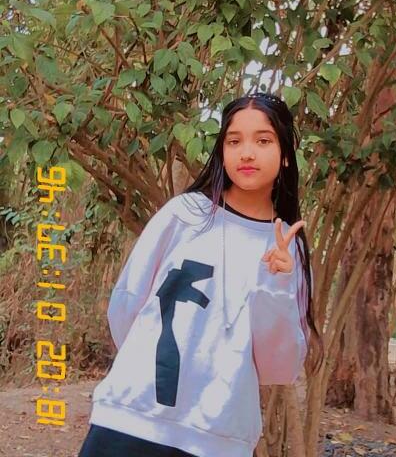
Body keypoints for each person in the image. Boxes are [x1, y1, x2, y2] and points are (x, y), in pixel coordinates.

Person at [78, 91, 323, 457]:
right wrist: (148, 375)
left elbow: (279, 367)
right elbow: (127, 304)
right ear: (221, 150)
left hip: (215, 440)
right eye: (234, 141)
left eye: (263, 141)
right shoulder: (185, 214)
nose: (247, 153)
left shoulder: (288, 249)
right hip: (130, 417)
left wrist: (277, 283)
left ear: (286, 154)